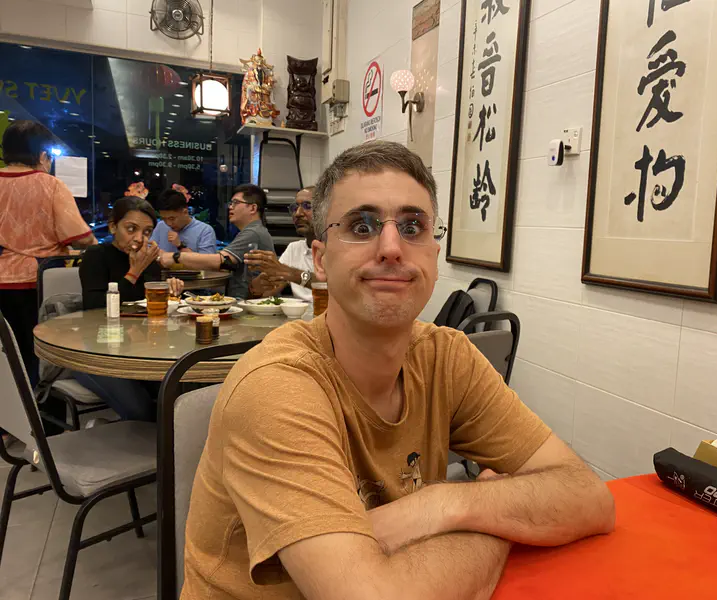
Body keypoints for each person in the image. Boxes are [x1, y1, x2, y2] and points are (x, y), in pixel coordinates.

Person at [182, 141, 615, 600]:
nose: (391, 248)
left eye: (412, 226)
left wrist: (447, 502)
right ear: (321, 259)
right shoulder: (275, 385)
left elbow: (589, 498)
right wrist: (499, 520)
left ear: (433, 252)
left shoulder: (447, 356)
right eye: (361, 226)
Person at [0, 120, 97, 387]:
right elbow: (83, 238)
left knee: (4, 356)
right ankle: (35, 417)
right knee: (34, 355)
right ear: (43, 155)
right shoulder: (50, 185)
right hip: (34, 284)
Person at [77, 196, 183, 421]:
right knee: (141, 410)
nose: (138, 239)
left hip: (139, 350)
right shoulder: (96, 256)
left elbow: (147, 308)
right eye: (131, 229)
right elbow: (95, 310)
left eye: (146, 232)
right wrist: (134, 271)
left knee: (177, 395)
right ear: (113, 226)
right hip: (95, 352)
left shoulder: (148, 260)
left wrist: (170, 292)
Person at [159, 184, 275, 299]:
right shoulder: (253, 231)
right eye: (230, 203)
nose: (230, 207)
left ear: (253, 208)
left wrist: (176, 257)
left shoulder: (252, 233)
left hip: (252, 303)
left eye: (236, 202)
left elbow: (221, 261)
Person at [245, 186, 317, 301]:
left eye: (307, 206)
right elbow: (270, 290)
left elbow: (332, 286)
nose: (297, 213)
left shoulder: (341, 247)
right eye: (294, 208)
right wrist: (256, 289)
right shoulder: (294, 248)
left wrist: (289, 272)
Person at [151, 185, 217, 255]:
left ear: (185, 212)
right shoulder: (160, 226)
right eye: (164, 218)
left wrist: (180, 246)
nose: (168, 223)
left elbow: (207, 263)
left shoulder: (204, 231)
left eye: (172, 218)